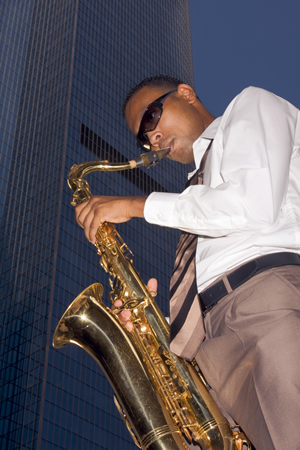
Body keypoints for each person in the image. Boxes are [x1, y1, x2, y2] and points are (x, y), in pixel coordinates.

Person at [75, 75, 300, 450]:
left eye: (151, 119)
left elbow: (252, 206)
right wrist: (151, 326)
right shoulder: (197, 191)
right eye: (143, 138)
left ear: (185, 94)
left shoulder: (251, 104)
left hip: (263, 304)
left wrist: (134, 205)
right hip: (210, 346)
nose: (152, 140)